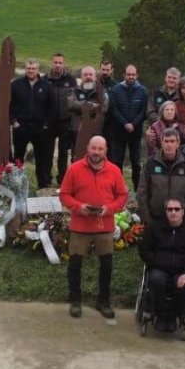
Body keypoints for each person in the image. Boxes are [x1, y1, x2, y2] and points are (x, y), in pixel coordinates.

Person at [59, 136, 129, 319]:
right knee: (75, 264)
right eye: (93, 148)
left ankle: (103, 301)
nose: (96, 152)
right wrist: (78, 207)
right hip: (81, 225)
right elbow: (64, 194)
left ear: (105, 151)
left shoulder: (114, 170)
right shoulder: (74, 169)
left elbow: (122, 196)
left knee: (106, 264)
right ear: (87, 148)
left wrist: (109, 209)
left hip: (104, 225)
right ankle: (75, 300)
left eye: (100, 149)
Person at [139, 198, 185, 332]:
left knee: (184, 286)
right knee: (156, 280)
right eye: (170, 209)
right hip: (160, 267)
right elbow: (145, 250)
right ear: (165, 211)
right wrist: (158, 261)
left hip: (182, 269)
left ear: (183, 211)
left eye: (177, 209)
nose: (173, 212)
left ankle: (175, 316)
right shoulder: (155, 227)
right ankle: (160, 316)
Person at [10, 58, 57, 188]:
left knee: (41, 160)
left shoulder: (46, 86)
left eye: (34, 69)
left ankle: (42, 187)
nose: (31, 71)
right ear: (25, 69)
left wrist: (46, 124)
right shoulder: (16, 84)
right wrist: (13, 121)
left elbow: (52, 107)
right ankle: (16, 186)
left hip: (40, 129)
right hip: (21, 127)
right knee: (18, 158)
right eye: (29, 68)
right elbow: (9, 105)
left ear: (38, 70)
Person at [137, 129, 185, 228]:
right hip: (155, 221)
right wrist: (147, 220)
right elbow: (142, 193)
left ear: (178, 143)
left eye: (172, 141)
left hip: (181, 223)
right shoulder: (150, 163)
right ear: (161, 143)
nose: (169, 145)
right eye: (166, 141)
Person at [107, 65, 146, 190]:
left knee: (136, 163)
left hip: (136, 132)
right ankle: (118, 188)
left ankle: (137, 189)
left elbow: (144, 111)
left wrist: (133, 124)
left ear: (137, 75)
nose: (131, 77)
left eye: (133, 75)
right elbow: (113, 109)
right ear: (124, 75)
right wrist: (125, 123)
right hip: (118, 132)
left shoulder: (143, 91)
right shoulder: (116, 89)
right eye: (128, 74)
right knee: (117, 162)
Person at [47, 53, 79, 184]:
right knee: (47, 152)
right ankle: (47, 179)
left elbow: (75, 100)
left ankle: (62, 179)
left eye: (60, 62)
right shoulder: (45, 79)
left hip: (65, 121)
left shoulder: (71, 80)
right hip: (49, 123)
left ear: (63, 63)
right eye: (55, 62)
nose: (57, 65)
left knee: (63, 152)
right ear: (52, 62)